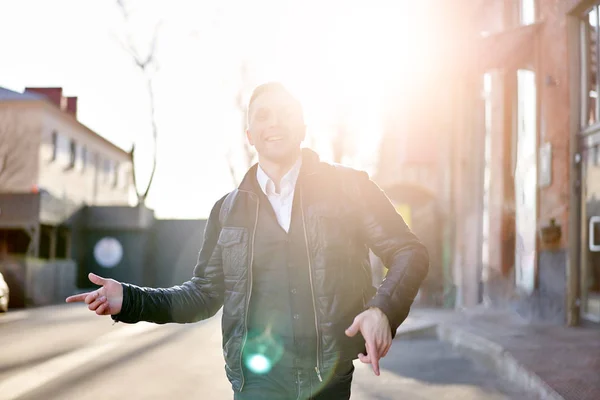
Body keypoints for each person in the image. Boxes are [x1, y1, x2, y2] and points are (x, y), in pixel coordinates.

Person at [66, 82, 429, 400]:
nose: (275, 122)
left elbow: (408, 252)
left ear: (302, 126)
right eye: (263, 116)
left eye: (286, 113)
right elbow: (203, 295)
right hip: (257, 383)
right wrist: (130, 299)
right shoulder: (227, 211)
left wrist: (383, 310)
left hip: (328, 378)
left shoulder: (349, 188)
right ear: (250, 134)